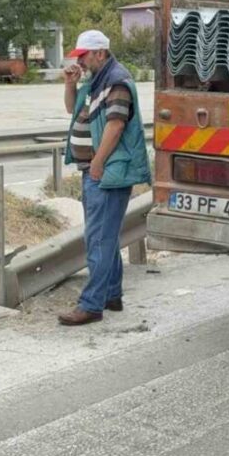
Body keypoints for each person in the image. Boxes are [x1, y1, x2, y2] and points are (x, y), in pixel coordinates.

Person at [56, 30, 151, 326]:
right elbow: (73, 109)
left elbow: (115, 127)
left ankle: (91, 305)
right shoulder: (98, 80)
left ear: (99, 53)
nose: (80, 61)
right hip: (98, 171)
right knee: (105, 238)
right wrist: (71, 84)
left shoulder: (116, 82)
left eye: (83, 56)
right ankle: (111, 295)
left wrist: (97, 163)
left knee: (98, 240)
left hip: (107, 173)